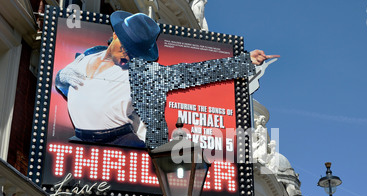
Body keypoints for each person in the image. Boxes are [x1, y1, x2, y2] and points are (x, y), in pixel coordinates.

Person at [56, 11, 279, 148]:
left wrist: (244, 62)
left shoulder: (145, 75)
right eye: (125, 45)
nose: (127, 53)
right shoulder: (85, 57)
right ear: (115, 34)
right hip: (78, 139)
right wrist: (60, 77)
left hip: (120, 143)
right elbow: (62, 83)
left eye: (134, 51)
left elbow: (196, 72)